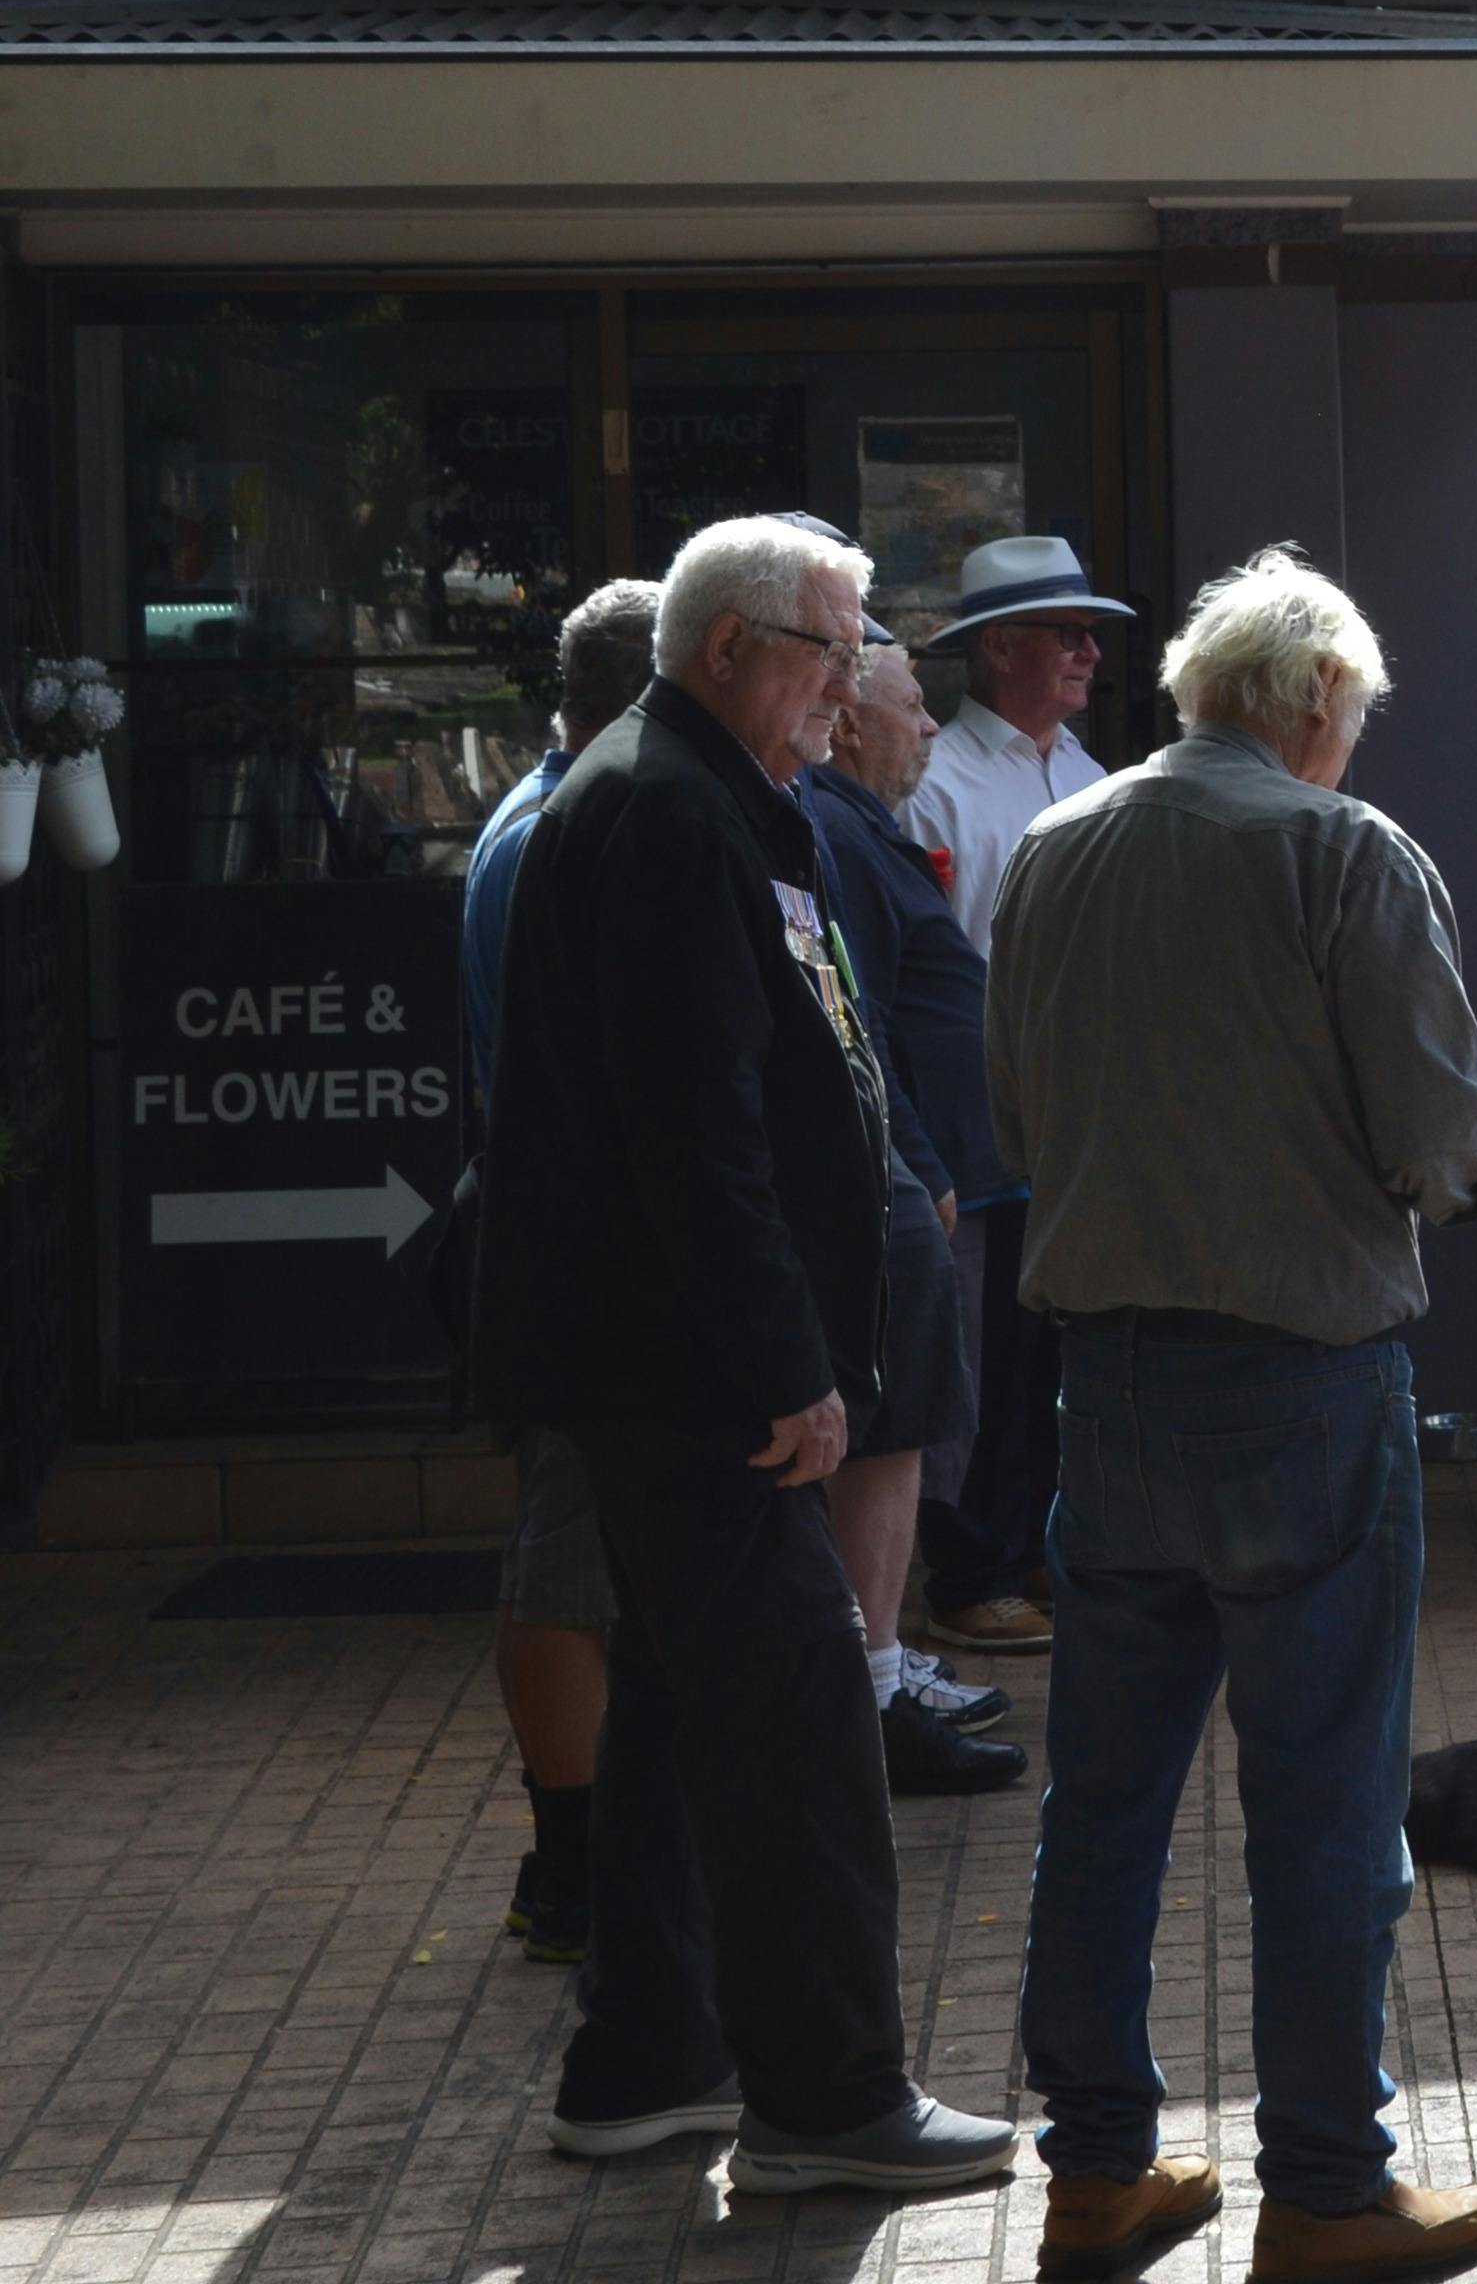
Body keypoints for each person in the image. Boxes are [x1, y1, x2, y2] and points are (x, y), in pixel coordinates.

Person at [989, 549, 1477, 2284]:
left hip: (1107, 1377)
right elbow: (1442, 1140)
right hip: (1300, 1376)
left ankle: (1091, 2168)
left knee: (1104, 1798)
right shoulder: (1340, 850)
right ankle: (1322, 2180)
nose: (1352, 747)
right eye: (1353, 718)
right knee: (1322, 1795)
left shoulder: (1056, 846)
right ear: (1312, 701)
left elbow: (1014, 1107)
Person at [475, 513, 1016, 2196]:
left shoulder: (714, 791)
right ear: (732, 649)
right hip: (688, 1367)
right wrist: (787, 1361)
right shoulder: (659, 804)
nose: (850, 688)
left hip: (680, 1356)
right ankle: (827, 2094)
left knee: (683, 1705)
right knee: (796, 1717)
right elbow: (690, 1131)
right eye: (831, 650)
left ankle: (647, 2055)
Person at [463, 574, 658, 1971]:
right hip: (580, 1265)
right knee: (565, 1562)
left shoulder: (550, 814)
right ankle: (573, 1868)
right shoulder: (563, 833)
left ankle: (587, 1856)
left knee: (579, 1561)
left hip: (567, 1250)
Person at [903, 530, 1130, 1663]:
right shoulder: (933, 786)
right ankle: (968, 1571)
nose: (1091, 652)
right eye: (1068, 632)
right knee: (980, 1356)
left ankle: (1030, 1550)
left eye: (1093, 635)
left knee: (1051, 1356)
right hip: (980, 1123)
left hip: (1072, 1124)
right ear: (1001, 650)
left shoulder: (1088, 777)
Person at [803, 637, 1025, 1793]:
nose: (931, 728)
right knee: (895, 1434)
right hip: (910, 1181)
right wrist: (920, 1158)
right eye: (909, 707)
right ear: (846, 722)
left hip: (941, 1173)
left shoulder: (857, 825)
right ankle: (873, 1684)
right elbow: (861, 1017)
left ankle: (884, 1663)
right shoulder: (832, 832)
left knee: (926, 1422)